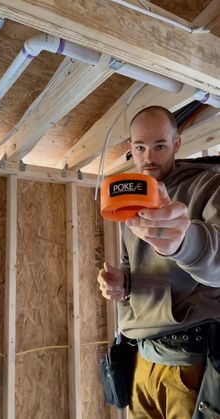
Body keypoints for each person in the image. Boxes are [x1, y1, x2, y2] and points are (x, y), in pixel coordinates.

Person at [97, 106, 220, 419]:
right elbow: (130, 268)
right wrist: (120, 285)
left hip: (189, 364)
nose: (148, 157)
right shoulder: (133, 199)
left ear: (176, 145)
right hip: (141, 360)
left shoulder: (209, 187)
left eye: (160, 146)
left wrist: (186, 243)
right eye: (140, 147)